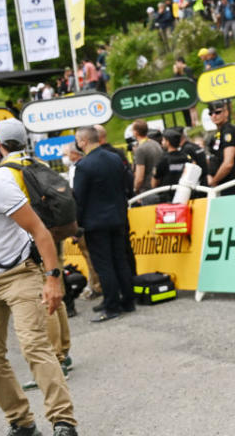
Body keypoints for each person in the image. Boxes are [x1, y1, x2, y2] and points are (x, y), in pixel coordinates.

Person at [0, 119, 79, 436]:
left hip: (18, 273)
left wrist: (52, 278)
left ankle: (63, 421)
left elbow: (39, 231)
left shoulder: (0, 181)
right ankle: (21, 422)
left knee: (33, 345)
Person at [72, 126, 135, 325]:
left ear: (83, 141)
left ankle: (111, 306)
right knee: (120, 260)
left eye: (77, 140)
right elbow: (126, 184)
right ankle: (127, 301)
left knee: (104, 265)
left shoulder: (84, 166)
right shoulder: (114, 158)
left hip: (96, 223)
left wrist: (76, 227)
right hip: (118, 218)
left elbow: (79, 199)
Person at [205, 101, 235, 196]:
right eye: (211, 113)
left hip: (231, 183)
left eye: (217, 112)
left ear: (226, 112)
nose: (214, 115)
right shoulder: (219, 132)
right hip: (223, 183)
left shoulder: (229, 132)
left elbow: (228, 164)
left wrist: (213, 181)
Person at [152, 129, 195, 202]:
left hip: (167, 198)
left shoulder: (163, 160)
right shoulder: (186, 157)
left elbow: (154, 183)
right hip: (185, 197)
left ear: (167, 142)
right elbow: (193, 169)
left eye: (163, 140)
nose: (162, 143)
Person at [131, 120, 163, 204]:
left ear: (135, 132)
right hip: (160, 188)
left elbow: (139, 177)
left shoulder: (140, 150)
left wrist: (135, 190)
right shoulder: (156, 143)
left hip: (147, 192)